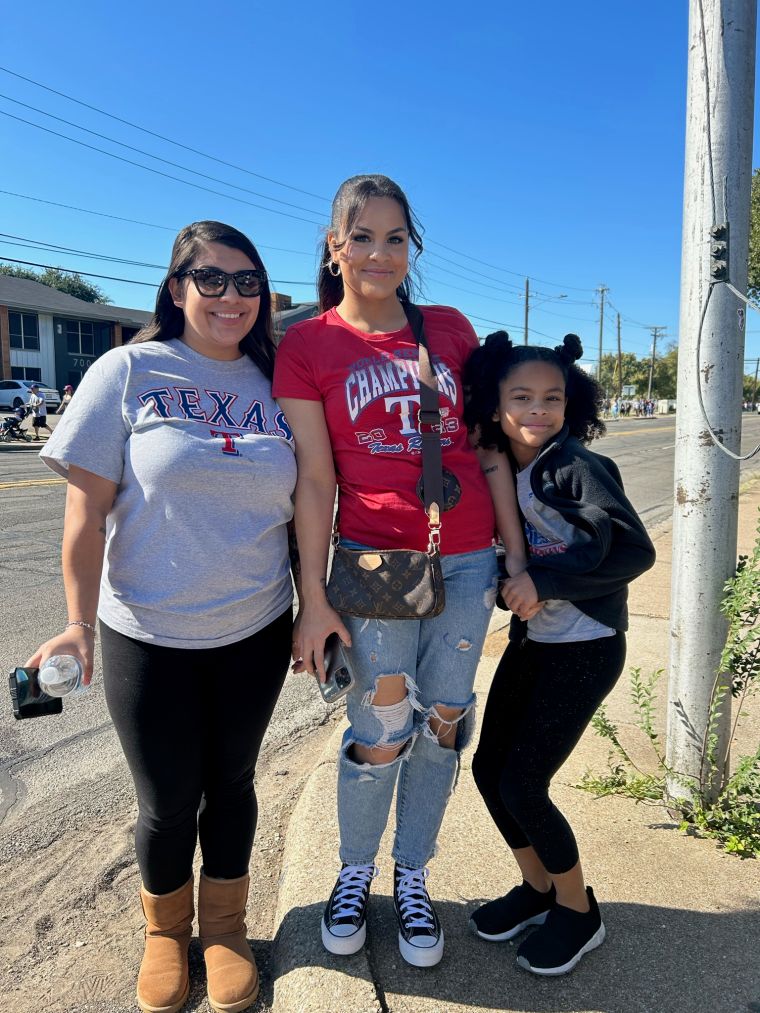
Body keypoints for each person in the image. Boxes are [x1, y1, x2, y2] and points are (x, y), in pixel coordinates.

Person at [27, 221, 296, 1013]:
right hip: (146, 631)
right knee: (169, 797)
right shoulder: (127, 369)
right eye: (210, 279)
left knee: (233, 781)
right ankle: (164, 932)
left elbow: (312, 500)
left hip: (256, 625)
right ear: (176, 286)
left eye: (248, 282)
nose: (231, 296)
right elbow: (84, 513)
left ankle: (225, 928)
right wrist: (76, 621)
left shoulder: (278, 380)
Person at [273, 173, 525, 969]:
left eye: (395, 237)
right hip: (372, 564)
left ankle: (412, 873)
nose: (380, 253)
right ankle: (356, 873)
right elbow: (315, 480)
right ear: (334, 244)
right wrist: (312, 598)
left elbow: (488, 454)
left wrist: (515, 555)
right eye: (363, 236)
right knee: (380, 729)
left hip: (468, 558)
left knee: (444, 720)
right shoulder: (309, 345)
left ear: (410, 247)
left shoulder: (450, 330)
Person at [462, 331, 655, 976]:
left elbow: (635, 552)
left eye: (553, 398)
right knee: (490, 769)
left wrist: (543, 581)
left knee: (523, 780)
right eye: (522, 397)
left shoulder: (578, 466)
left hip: (587, 646)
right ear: (495, 406)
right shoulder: (505, 464)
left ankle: (578, 910)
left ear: (571, 404)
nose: (538, 409)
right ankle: (537, 887)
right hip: (538, 641)